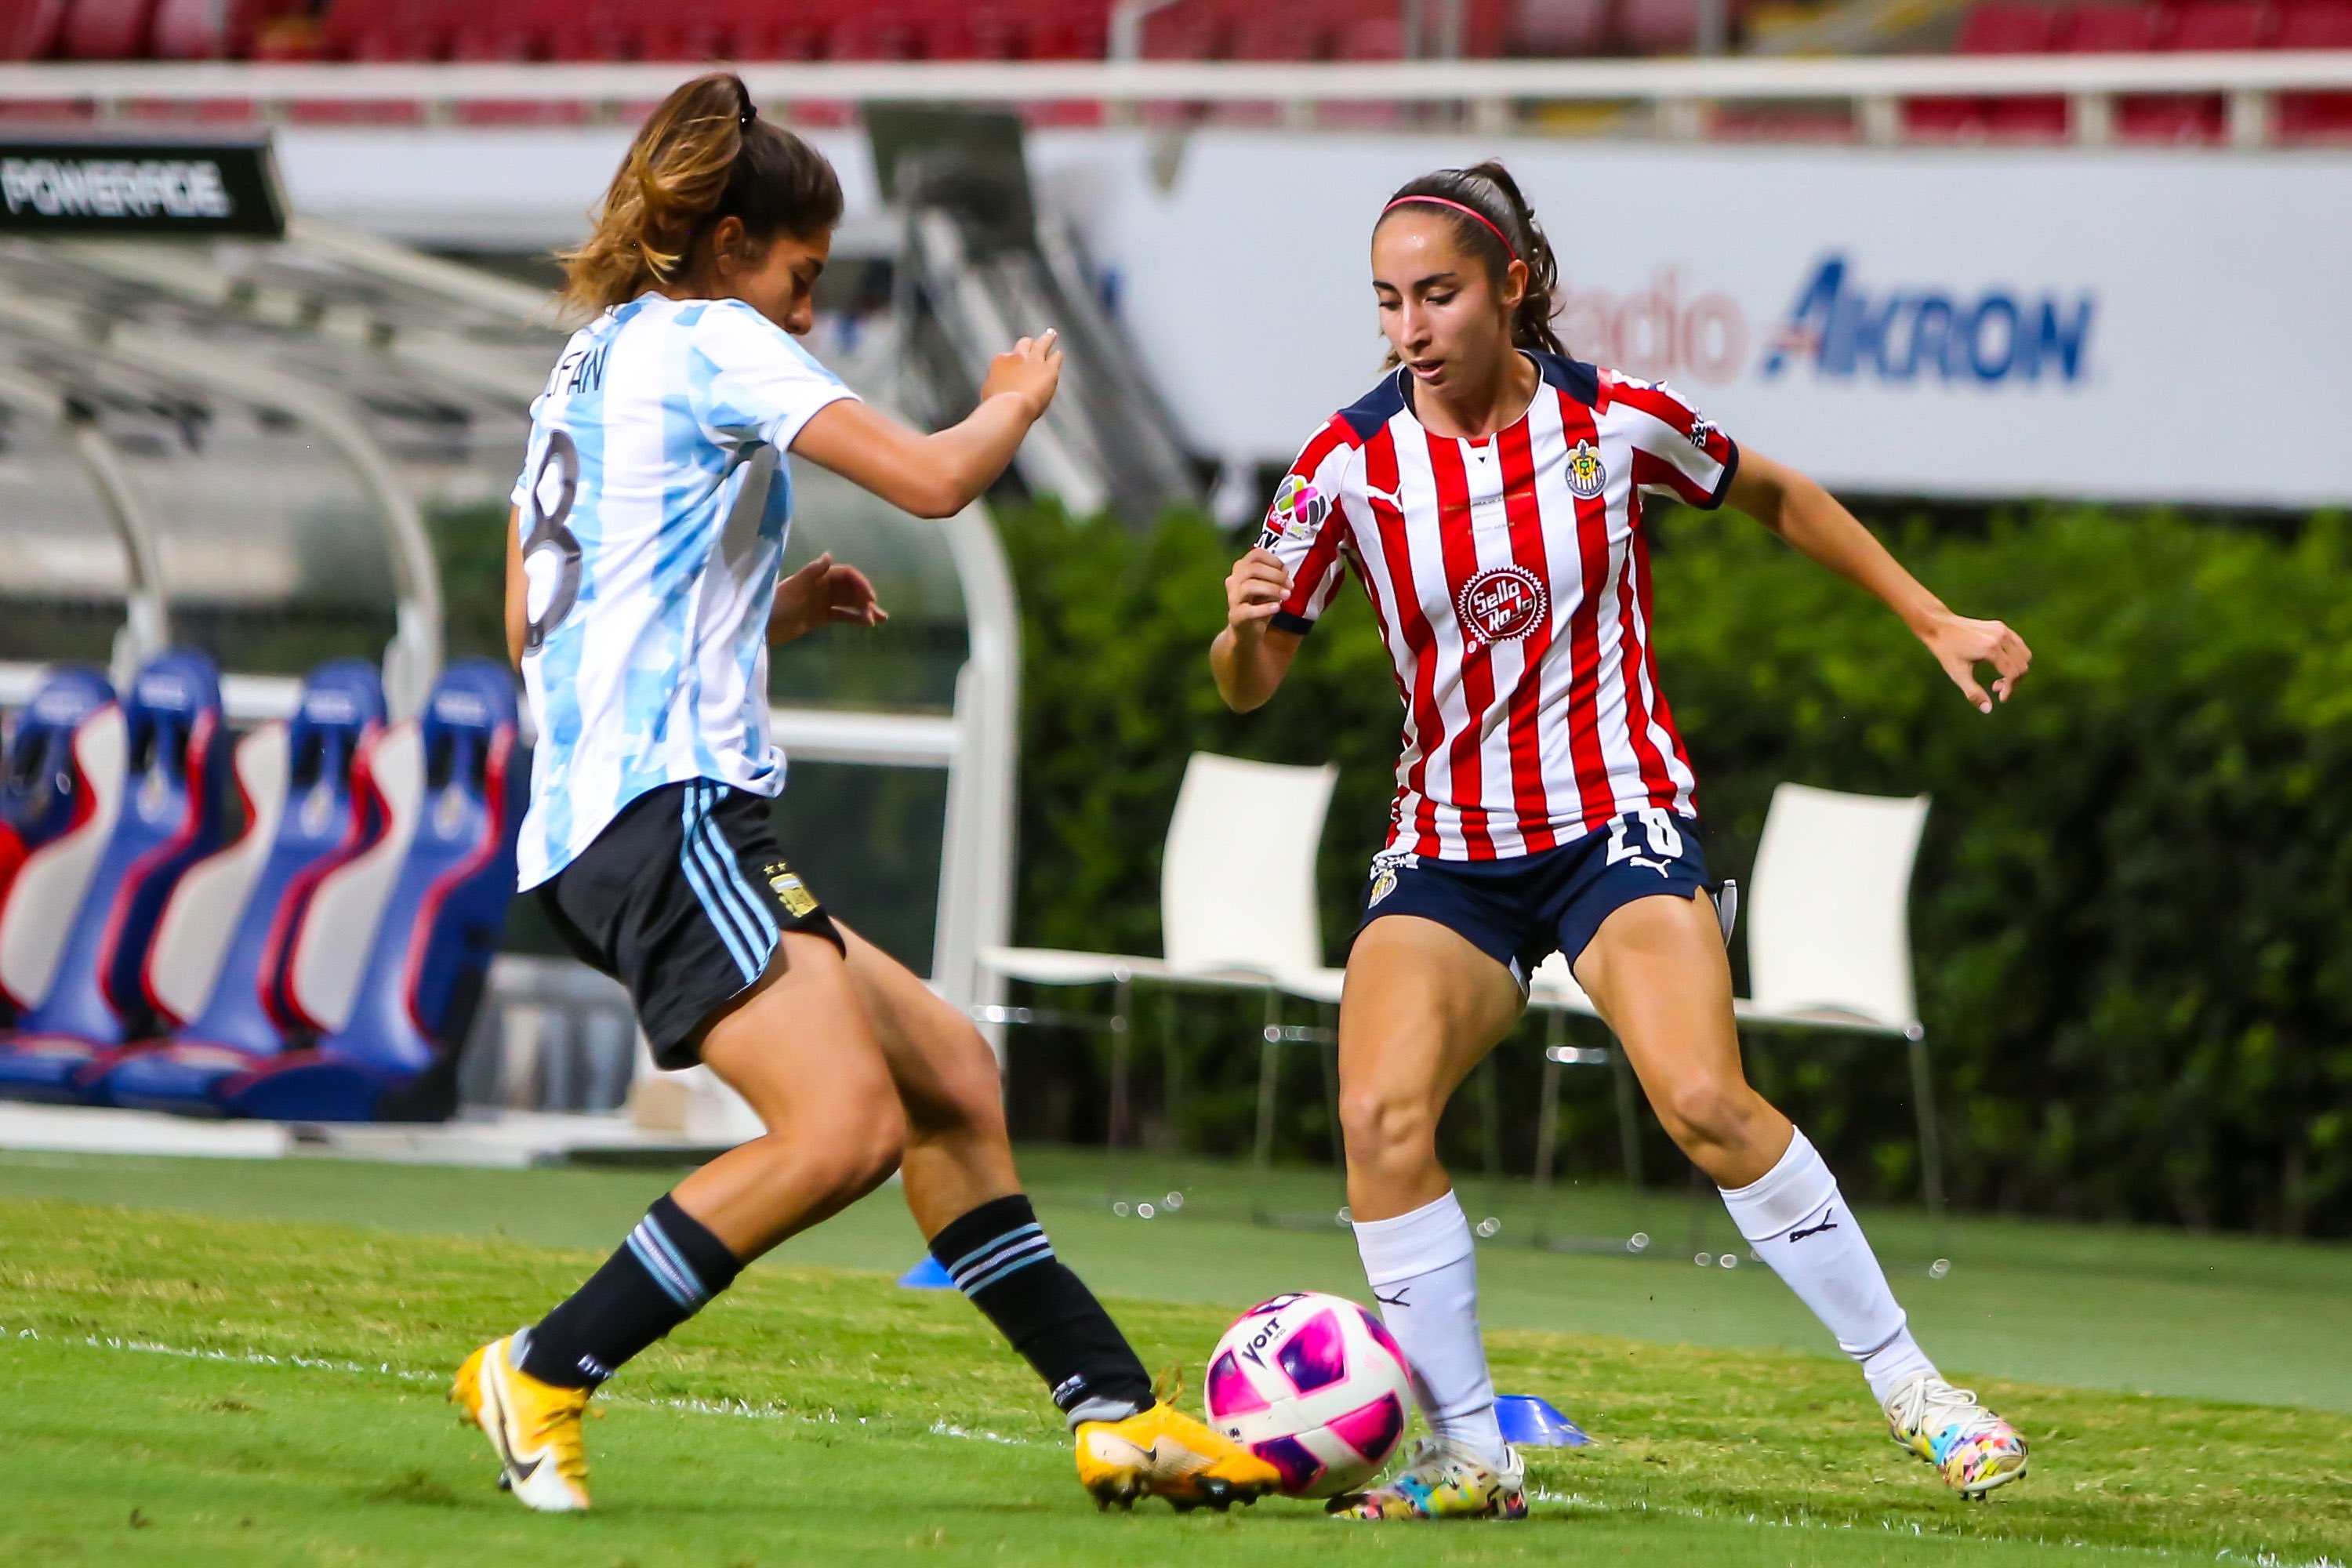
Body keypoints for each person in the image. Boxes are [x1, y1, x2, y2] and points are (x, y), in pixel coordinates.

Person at [452, 72, 1278, 1517]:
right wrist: (1016, 396)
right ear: (724, 250)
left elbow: (540, 626)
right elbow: (940, 478)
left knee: (949, 1075)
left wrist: (762, 612)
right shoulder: (715, 338)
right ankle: (544, 1367)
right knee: (840, 1132)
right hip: (668, 813)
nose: (808, 315)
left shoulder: (588, 367)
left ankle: (1114, 1411)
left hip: (625, 813)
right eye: (802, 277)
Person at [1212, 162, 2033, 1522]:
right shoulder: (1342, 464)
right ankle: (1472, 1454)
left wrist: (1931, 615)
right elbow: (1251, 683)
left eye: (1437, 296)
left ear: (1511, 288)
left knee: (1706, 1101)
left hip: (1618, 821)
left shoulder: (1611, 422)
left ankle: (1917, 1392)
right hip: (1451, 847)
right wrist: (1242, 629)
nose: (1408, 328)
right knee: (1377, 1114)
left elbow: (1773, 493)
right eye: (1387, 302)